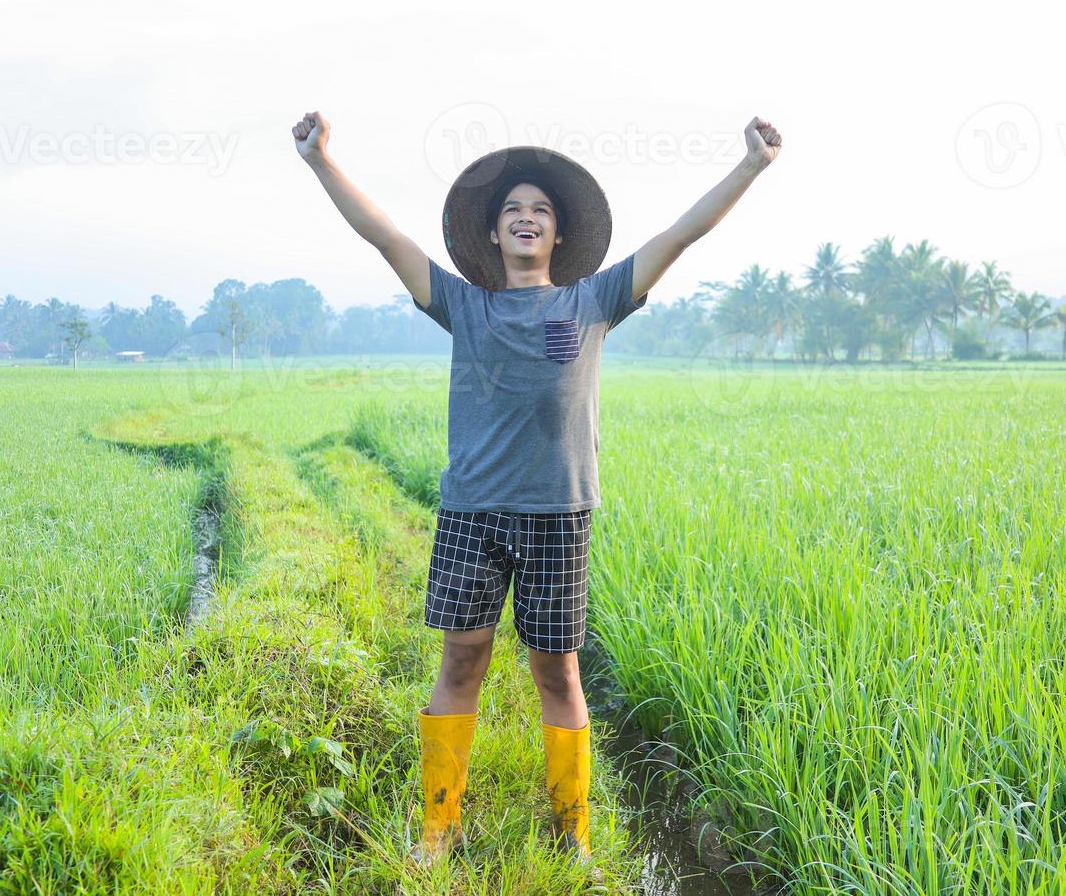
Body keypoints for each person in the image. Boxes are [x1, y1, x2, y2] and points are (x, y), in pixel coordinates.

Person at [292, 111, 782, 872]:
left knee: (558, 669)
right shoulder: (466, 306)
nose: (526, 217)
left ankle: (574, 837)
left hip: (560, 515)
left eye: (541, 211)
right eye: (513, 210)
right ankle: (437, 830)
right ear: (493, 236)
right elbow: (384, 236)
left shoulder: (595, 301)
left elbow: (681, 234)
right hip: (472, 514)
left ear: (558, 236)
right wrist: (322, 161)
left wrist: (750, 166)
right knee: (462, 661)